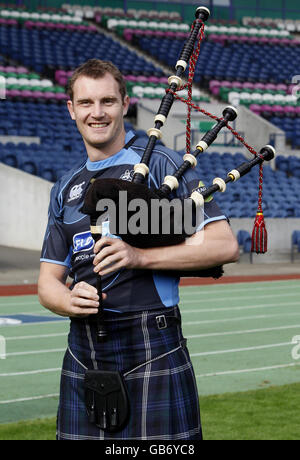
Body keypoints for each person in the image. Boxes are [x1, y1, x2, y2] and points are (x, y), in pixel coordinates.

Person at [38, 58, 239, 441]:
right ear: (71, 109)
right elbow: (48, 282)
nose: (97, 113)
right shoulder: (65, 188)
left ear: (125, 104)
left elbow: (224, 245)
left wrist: (140, 256)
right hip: (83, 350)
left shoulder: (162, 163)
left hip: (152, 343)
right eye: (86, 103)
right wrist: (68, 300)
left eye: (108, 101)